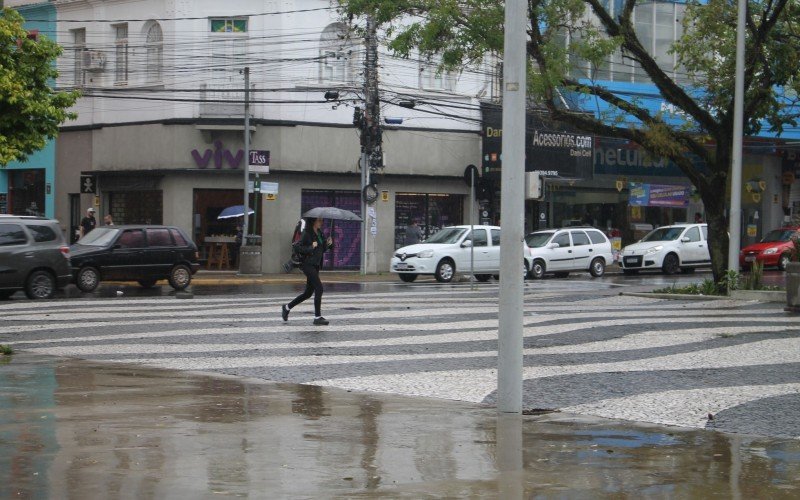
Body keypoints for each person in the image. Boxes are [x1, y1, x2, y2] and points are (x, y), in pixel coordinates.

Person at [282, 217, 334, 325]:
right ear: (313, 221)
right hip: (307, 264)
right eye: (319, 220)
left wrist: (329, 244)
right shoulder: (307, 233)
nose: (321, 222)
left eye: (322, 220)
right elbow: (297, 247)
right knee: (319, 288)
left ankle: (287, 308)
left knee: (308, 293)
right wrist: (311, 247)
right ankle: (317, 317)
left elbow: (322, 249)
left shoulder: (320, 233)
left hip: (316, 265)